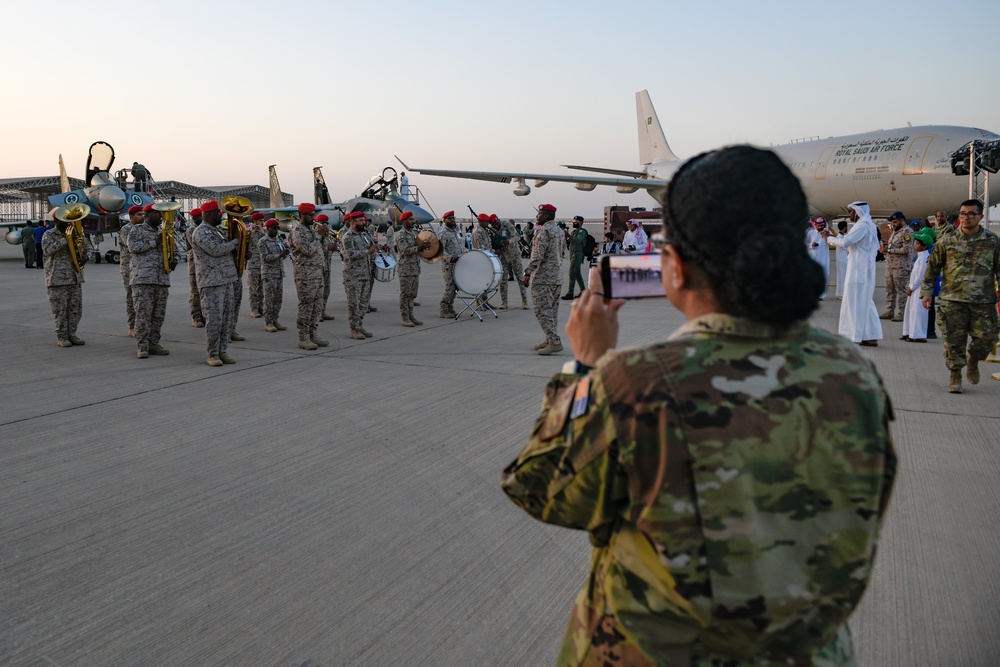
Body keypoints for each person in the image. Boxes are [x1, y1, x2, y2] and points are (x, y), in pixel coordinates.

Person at [501, 145, 896, 666]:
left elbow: (541, 490)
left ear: (675, 265)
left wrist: (585, 366)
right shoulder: (855, 376)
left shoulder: (635, 381)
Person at [920, 199, 1000, 393]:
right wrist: (927, 292)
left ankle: (973, 359)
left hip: (984, 301)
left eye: (971, 214)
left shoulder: (992, 241)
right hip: (952, 300)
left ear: (981, 217)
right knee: (953, 341)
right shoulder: (947, 241)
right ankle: (955, 374)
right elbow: (932, 268)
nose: (966, 217)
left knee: (987, 339)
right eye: (963, 214)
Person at [821, 202, 882, 346]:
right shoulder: (870, 224)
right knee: (865, 302)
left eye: (851, 212)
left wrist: (828, 237)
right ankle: (870, 336)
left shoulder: (861, 226)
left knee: (854, 301)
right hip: (863, 267)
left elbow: (845, 242)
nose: (849, 215)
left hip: (857, 270)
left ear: (857, 212)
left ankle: (854, 336)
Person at [191, 200, 240, 366]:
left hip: (226, 279)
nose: (221, 215)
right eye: (218, 213)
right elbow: (215, 250)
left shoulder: (217, 231)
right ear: (208, 214)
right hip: (211, 282)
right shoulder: (201, 232)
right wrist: (234, 243)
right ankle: (212, 354)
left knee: (227, 319)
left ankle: (223, 351)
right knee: (214, 320)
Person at [128, 204, 176, 358]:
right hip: (143, 278)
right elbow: (133, 247)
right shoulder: (137, 230)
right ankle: (142, 346)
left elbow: (174, 250)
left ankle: (154, 343)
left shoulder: (166, 231)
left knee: (158, 315)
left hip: (161, 279)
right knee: (143, 314)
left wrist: (174, 259)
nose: (161, 216)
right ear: (147, 215)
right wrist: (155, 242)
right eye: (157, 213)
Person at [42, 214, 92, 347]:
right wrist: (66, 239)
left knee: (75, 309)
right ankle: (62, 336)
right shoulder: (49, 234)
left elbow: (89, 247)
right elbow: (48, 250)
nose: (68, 223)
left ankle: (72, 334)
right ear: (56, 221)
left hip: (75, 278)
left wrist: (87, 256)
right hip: (57, 279)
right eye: (65, 220)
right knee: (60, 310)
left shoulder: (77, 233)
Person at [523, 204, 564, 355]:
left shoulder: (544, 231)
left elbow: (538, 255)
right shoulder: (559, 230)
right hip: (556, 276)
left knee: (542, 310)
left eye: (539, 214)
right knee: (551, 310)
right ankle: (549, 338)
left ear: (546, 216)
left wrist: (528, 272)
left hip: (544, 277)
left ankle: (554, 341)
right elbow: (562, 251)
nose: (536, 216)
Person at [289, 202, 328, 350]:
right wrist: (319, 235)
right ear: (302, 215)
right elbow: (307, 250)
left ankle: (313, 333)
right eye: (311, 215)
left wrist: (322, 237)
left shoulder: (312, 231)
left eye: (314, 214)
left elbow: (321, 249)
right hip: (305, 275)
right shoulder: (297, 231)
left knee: (317, 306)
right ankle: (303, 337)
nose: (314, 217)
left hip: (318, 274)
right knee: (306, 306)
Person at [341, 212, 378, 338]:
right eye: (361, 220)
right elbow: (350, 255)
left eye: (364, 220)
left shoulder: (364, 235)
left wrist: (377, 249)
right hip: (353, 276)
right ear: (353, 222)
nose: (364, 222)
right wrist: (368, 251)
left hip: (365, 274)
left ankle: (360, 326)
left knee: (363, 303)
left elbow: (370, 250)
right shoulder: (347, 237)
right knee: (354, 304)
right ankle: (354, 329)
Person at [395, 211, 430, 327]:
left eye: (413, 219)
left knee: (412, 294)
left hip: (415, 267)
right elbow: (404, 250)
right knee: (405, 294)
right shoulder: (401, 234)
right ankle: (405, 318)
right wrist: (420, 247)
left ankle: (411, 316)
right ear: (404, 221)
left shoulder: (414, 233)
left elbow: (419, 245)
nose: (413, 221)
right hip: (405, 269)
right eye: (410, 220)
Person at [901, 228, 935, 343]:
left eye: (917, 243)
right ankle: (909, 332)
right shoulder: (920, 256)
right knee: (911, 311)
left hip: (919, 289)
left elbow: (921, 276)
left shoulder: (925, 258)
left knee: (918, 312)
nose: (915, 245)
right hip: (914, 288)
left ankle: (918, 334)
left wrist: (912, 287)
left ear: (924, 246)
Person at [880, 211, 914, 322]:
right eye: (892, 222)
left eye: (895, 222)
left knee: (901, 290)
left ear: (902, 220)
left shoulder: (907, 232)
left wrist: (888, 250)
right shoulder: (895, 232)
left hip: (901, 267)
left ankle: (901, 313)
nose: (893, 224)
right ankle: (889, 311)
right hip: (890, 266)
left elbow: (906, 250)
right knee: (890, 290)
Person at [258, 219, 289, 333]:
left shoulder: (278, 240)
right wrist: (279, 255)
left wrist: (285, 252)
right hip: (269, 274)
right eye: (274, 228)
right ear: (268, 229)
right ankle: (268, 322)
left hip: (279, 273)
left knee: (278, 299)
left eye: (277, 228)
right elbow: (265, 258)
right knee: (269, 300)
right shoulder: (263, 241)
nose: (277, 230)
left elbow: (282, 257)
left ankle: (275, 320)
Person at [497, 217, 529, 309]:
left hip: (514, 255)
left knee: (520, 278)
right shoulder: (493, 229)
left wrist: (508, 241)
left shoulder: (507, 226)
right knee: (503, 280)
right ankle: (504, 302)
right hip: (503, 257)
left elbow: (517, 237)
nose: (495, 225)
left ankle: (525, 301)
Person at [438, 211, 465, 317]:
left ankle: (450, 307)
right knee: (450, 286)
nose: (452, 220)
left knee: (456, 287)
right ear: (444, 221)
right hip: (449, 265)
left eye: (453, 218)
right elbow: (440, 250)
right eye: (449, 218)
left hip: (458, 263)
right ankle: (443, 309)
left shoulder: (455, 231)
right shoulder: (443, 233)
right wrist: (450, 258)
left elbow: (460, 246)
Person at [185, 207, 205, 328]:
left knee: (204, 292)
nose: (200, 218)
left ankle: (204, 316)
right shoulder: (191, 230)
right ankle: (196, 317)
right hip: (194, 266)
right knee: (195, 293)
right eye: (198, 216)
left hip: (204, 265)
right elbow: (198, 246)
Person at [315, 213, 337, 321]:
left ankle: (323, 311)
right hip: (318, 269)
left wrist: (334, 245)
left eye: (327, 223)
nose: (325, 225)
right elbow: (316, 250)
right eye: (323, 223)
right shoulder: (316, 237)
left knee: (326, 291)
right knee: (317, 292)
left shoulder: (328, 236)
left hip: (327, 267)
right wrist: (329, 247)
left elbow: (330, 250)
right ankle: (316, 314)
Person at [562, 215, 588, 300]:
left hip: (577, 254)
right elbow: (569, 241)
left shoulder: (582, 232)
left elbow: (577, 240)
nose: (574, 223)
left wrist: (568, 235)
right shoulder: (574, 232)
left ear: (580, 222)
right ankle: (583, 292)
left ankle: (570, 293)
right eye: (573, 221)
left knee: (572, 273)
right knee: (577, 274)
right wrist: (566, 235)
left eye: (575, 222)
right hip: (572, 253)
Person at [246, 212, 265, 319]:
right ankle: (253, 309)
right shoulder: (248, 231)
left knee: (261, 289)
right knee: (253, 289)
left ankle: (261, 308)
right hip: (252, 264)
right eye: (260, 221)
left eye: (263, 221)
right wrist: (251, 233)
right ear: (255, 221)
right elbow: (245, 244)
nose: (262, 223)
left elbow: (269, 241)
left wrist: (262, 232)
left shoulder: (265, 231)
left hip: (263, 264)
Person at [805, 216, 830, 300]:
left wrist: (827, 236)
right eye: (819, 225)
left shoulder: (827, 233)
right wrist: (811, 244)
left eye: (822, 225)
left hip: (823, 260)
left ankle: (821, 295)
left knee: (824, 277)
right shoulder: (810, 233)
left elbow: (833, 242)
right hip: (812, 259)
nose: (820, 227)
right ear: (815, 225)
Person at [834, 219, 849, 299]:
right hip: (842, 260)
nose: (847, 228)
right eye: (846, 227)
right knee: (843, 277)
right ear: (844, 227)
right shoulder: (840, 238)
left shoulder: (842, 237)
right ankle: (842, 294)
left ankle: (841, 293)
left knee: (842, 277)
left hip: (843, 259)